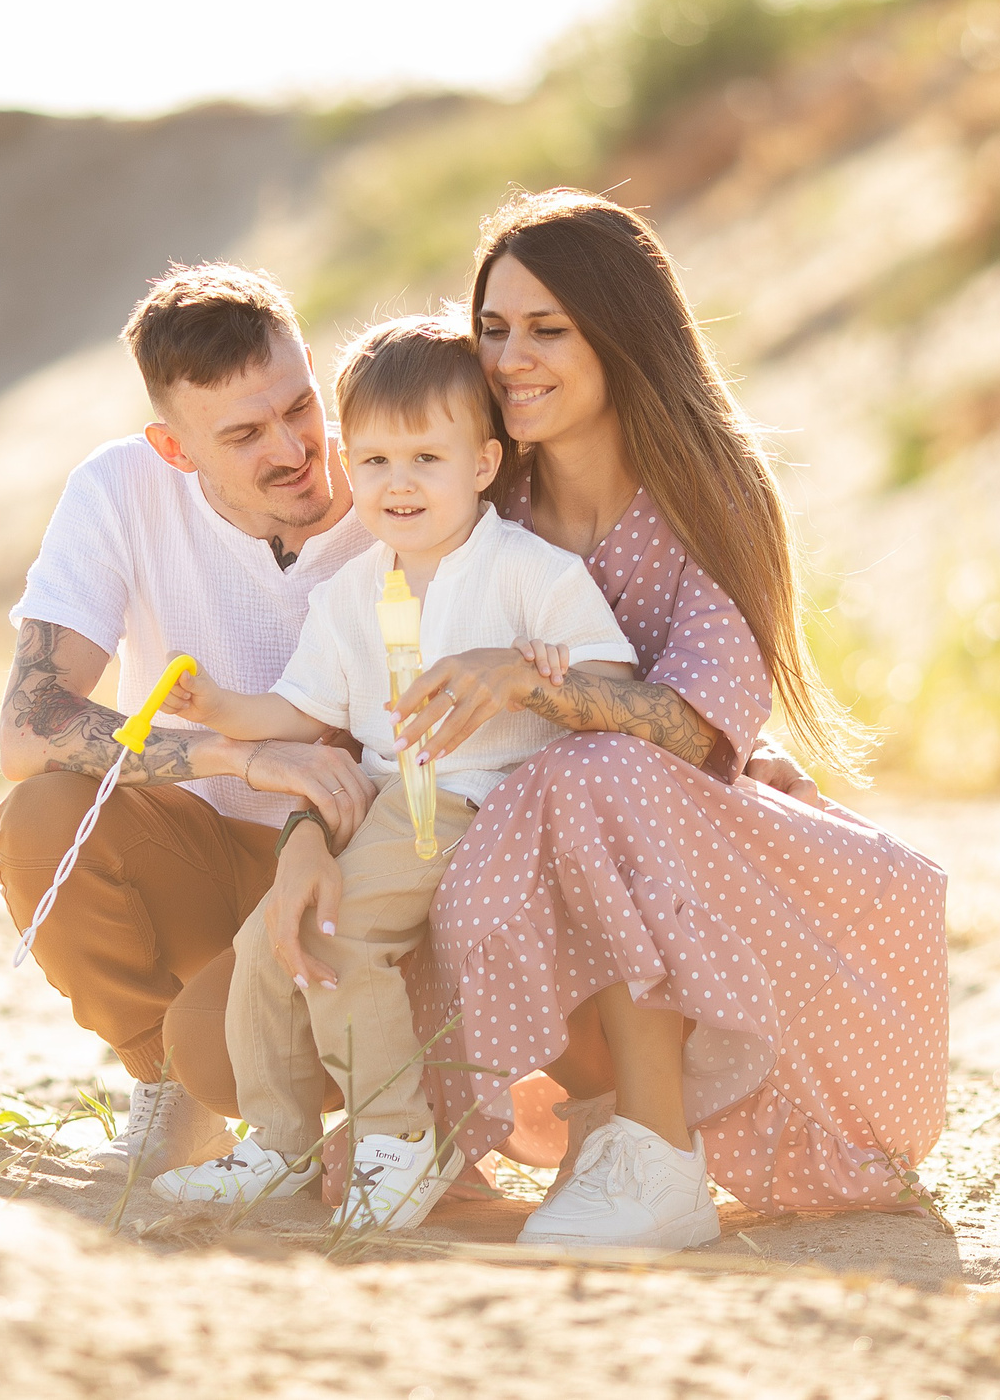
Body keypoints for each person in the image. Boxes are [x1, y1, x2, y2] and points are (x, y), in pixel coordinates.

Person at [400, 189, 951, 1249]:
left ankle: (659, 1158)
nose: (510, 357)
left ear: (618, 334)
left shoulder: (706, 493)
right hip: (529, 863)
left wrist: (523, 677)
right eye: (494, 328)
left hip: (689, 855)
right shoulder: (482, 506)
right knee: (488, 831)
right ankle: (614, 1136)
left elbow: (701, 730)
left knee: (598, 775)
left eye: (547, 330)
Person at [146, 316, 637, 1232]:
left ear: (484, 463)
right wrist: (216, 706)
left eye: (425, 458)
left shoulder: (530, 571)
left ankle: (396, 1142)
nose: (396, 483)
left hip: (474, 802)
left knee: (335, 936)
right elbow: (301, 711)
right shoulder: (352, 591)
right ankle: (279, 1138)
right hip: (381, 801)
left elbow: (615, 685)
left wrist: (535, 670)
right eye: (371, 461)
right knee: (272, 937)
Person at [0, 262, 381, 1175]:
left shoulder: (400, 463)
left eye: (299, 405)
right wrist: (242, 758)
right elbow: (28, 725)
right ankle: (167, 1089)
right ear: (175, 448)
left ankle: (390, 1095)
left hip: (361, 863)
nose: (293, 449)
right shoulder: (121, 488)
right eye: (243, 433)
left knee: (225, 1048)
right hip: (208, 852)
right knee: (41, 816)